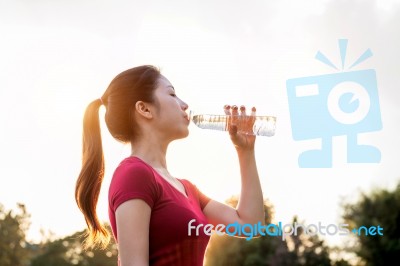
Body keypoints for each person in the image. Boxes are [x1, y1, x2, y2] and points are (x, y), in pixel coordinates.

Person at [75, 65, 265, 266]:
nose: (184, 104)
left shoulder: (188, 189)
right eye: (172, 94)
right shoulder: (134, 174)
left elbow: (250, 225)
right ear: (144, 109)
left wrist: (245, 151)